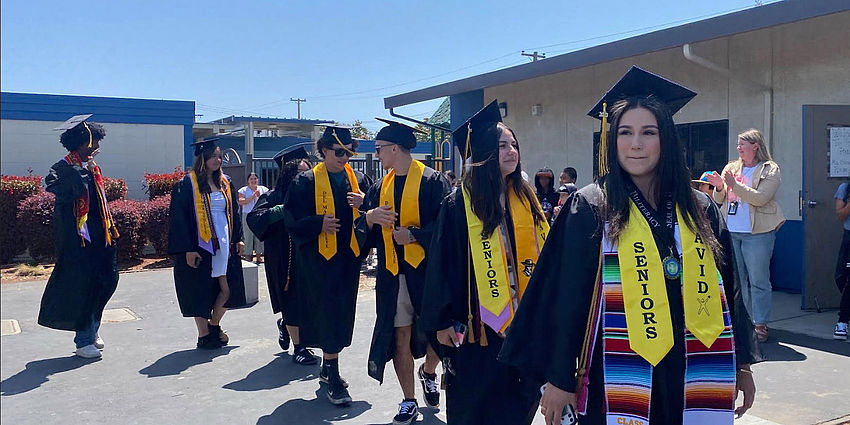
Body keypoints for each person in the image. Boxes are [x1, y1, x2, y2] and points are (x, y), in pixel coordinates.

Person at [500, 66, 760, 425]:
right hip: (615, 374)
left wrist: (742, 363)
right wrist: (559, 379)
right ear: (613, 140)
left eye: (648, 132)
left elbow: (728, 291)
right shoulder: (592, 207)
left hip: (691, 368)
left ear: (665, 139)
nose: (635, 143)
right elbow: (564, 299)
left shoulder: (698, 208)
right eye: (625, 132)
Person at [421, 100, 550, 425]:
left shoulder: (527, 197)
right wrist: (441, 321)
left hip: (524, 327)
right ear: (483, 153)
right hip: (479, 327)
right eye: (501, 145)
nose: (511, 151)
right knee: (476, 405)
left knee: (518, 404)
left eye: (514, 144)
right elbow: (442, 264)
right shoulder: (459, 203)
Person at [362, 118, 451, 424]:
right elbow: (366, 231)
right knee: (399, 335)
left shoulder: (432, 181)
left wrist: (414, 235)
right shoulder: (380, 186)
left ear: (395, 149)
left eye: (380, 149)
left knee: (436, 334)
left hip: (427, 273)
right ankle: (408, 400)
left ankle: (428, 370)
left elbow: (447, 227)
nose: (377, 155)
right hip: (391, 273)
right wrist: (370, 216)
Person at [282, 125, 373, 405]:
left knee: (342, 311)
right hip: (317, 262)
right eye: (338, 152)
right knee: (328, 311)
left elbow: (373, 213)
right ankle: (332, 372)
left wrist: (365, 202)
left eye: (348, 152)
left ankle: (327, 366)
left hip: (348, 259)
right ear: (323, 151)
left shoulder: (358, 180)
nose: (343, 158)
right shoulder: (305, 182)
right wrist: (317, 223)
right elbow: (292, 220)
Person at [38, 114, 120, 359]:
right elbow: (57, 191)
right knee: (84, 287)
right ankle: (83, 339)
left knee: (105, 282)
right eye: (94, 143)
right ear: (83, 143)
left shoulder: (93, 168)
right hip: (78, 241)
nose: (97, 148)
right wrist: (78, 175)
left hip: (100, 236)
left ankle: (92, 329)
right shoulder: (62, 167)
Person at [168, 137, 250, 350]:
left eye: (219, 156)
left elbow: (234, 212)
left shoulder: (225, 182)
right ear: (202, 158)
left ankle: (214, 325)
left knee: (228, 287)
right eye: (213, 156)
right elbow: (179, 218)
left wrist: (238, 238)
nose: (217, 159)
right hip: (200, 244)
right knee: (200, 288)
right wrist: (187, 248)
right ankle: (204, 334)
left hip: (223, 241)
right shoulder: (187, 184)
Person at [705, 128, 785, 343]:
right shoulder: (731, 167)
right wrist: (720, 186)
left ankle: (760, 324)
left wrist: (734, 185)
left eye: (742, 144)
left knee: (758, 280)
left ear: (755, 146)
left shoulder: (770, 169)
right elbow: (720, 199)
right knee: (735, 280)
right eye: (738, 145)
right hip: (731, 231)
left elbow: (760, 198)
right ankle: (740, 322)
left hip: (757, 232)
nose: (738, 148)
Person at [246, 146, 318, 363]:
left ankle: (286, 326)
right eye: (300, 172)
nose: (305, 177)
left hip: (309, 257)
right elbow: (254, 219)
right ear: (288, 173)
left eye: (307, 172)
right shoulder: (274, 196)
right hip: (283, 258)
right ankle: (299, 348)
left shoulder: (313, 195)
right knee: (291, 300)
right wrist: (281, 210)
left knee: (308, 301)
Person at [832, 180, 850, 340]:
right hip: (848, 238)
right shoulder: (845, 188)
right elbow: (840, 215)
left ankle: (842, 321)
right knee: (840, 277)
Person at [238, 172, 269, 263]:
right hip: (247, 214)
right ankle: (248, 254)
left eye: (255, 178)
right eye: (251, 179)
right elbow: (241, 201)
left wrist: (259, 196)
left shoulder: (263, 189)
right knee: (248, 235)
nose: (253, 180)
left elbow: (267, 200)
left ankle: (259, 255)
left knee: (259, 234)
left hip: (259, 214)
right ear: (248, 181)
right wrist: (253, 197)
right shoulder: (243, 190)